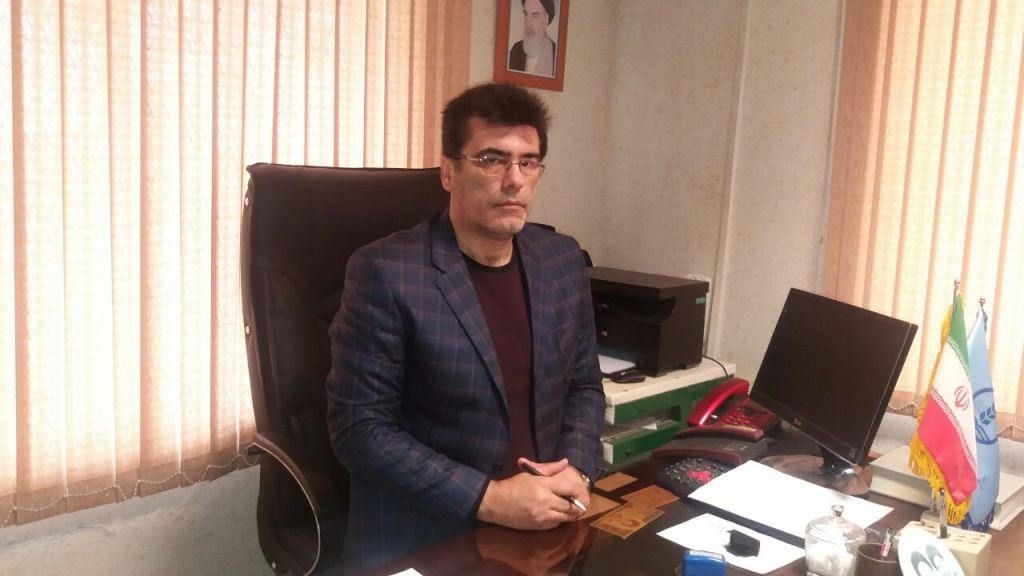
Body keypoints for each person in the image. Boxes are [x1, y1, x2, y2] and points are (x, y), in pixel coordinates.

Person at [326, 82, 606, 573]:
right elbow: (360, 430)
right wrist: (490, 498)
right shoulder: (386, 272)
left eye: (528, 162)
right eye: (492, 160)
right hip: (427, 531)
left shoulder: (561, 260)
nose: (514, 180)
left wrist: (576, 470)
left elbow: (583, 386)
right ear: (448, 172)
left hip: (545, 524)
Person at [508, 0, 557, 77]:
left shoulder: (556, 55)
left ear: (546, 20)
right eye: (526, 14)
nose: (528, 23)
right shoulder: (516, 50)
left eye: (535, 15)